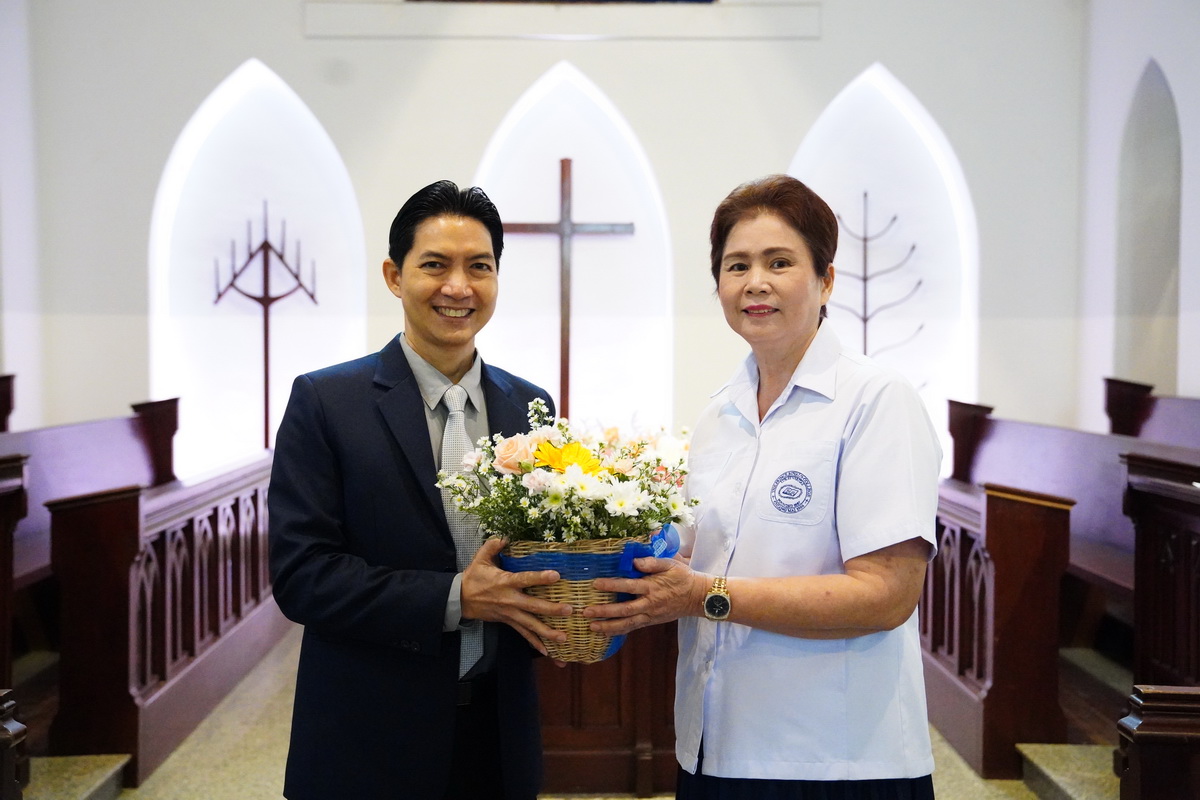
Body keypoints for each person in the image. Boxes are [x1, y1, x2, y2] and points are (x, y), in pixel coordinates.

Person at [584, 174, 941, 799]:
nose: (755, 282)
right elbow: (698, 555)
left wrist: (704, 595)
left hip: (833, 758)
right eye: (737, 265)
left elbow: (887, 595)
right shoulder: (718, 413)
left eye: (780, 262)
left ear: (826, 280)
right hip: (713, 743)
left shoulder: (876, 400)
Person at [268, 179, 573, 800]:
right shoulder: (326, 402)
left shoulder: (530, 407)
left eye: (479, 267)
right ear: (394, 275)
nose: (459, 287)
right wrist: (458, 598)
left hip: (499, 731)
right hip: (369, 734)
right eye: (435, 265)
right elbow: (303, 576)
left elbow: (542, 556)